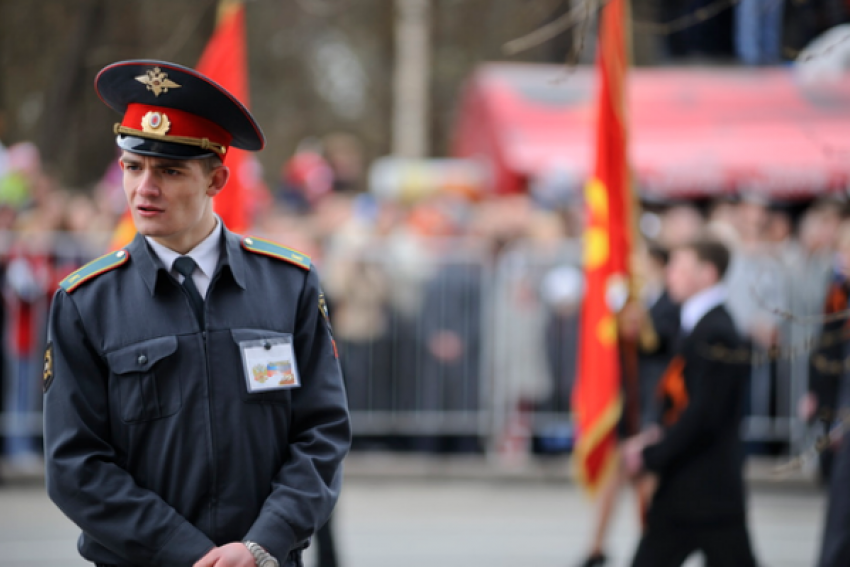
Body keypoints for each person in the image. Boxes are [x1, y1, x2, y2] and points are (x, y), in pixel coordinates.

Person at [43, 60, 351, 567]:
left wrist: (262, 545)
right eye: (132, 166)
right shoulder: (86, 301)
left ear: (216, 180)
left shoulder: (288, 284)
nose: (145, 188)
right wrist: (185, 553)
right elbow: (76, 465)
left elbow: (321, 433)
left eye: (170, 171)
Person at [623, 236, 757, 567]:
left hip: (703, 487)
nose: (670, 274)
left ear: (707, 274)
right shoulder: (697, 324)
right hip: (698, 490)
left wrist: (652, 455)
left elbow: (703, 415)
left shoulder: (717, 332)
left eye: (680, 267)